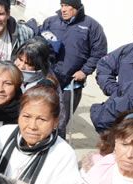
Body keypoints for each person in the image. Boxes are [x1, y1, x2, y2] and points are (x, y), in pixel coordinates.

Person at [39, 0, 107, 133]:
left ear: (76, 7)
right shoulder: (51, 22)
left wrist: (85, 71)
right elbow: (38, 43)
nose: (63, 9)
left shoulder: (92, 26)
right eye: (62, 5)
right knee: (40, 112)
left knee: (61, 120)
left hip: (71, 83)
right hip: (47, 77)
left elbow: (99, 52)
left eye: (67, 6)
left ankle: (56, 144)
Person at [13, 37, 69, 138]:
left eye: (28, 64)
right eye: (20, 60)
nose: (21, 66)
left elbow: (59, 121)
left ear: (40, 66)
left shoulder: (47, 86)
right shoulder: (10, 72)